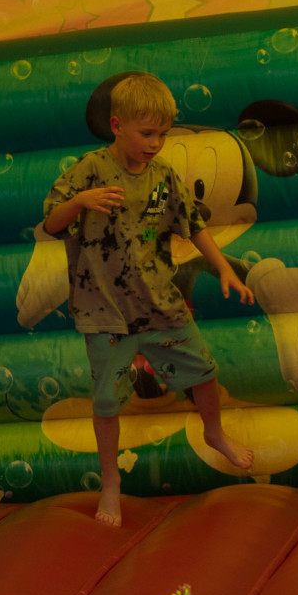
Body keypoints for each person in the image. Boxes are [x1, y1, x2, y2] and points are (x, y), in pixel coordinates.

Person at [40, 72, 256, 527]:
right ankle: (111, 484)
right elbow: (52, 223)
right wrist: (81, 201)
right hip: (106, 312)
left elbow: (193, 224)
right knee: (106, 403)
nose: (156, 143)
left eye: (163, 134)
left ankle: (214, 433)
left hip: (158, 304)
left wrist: (222, 268)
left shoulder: (163, 176)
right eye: (147, 134)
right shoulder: (90, 169)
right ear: (117, 126)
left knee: (204, 371)